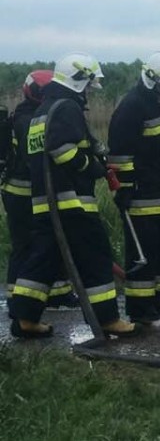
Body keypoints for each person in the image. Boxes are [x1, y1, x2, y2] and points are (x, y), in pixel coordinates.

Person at [8, 52, 137, 338]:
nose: (90, 90)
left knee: (43, 260)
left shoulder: (43, 109)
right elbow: (62, 149)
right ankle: (107, 319)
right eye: (89, 84)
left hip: (45, 202)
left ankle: (24, 318)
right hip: (71, 202)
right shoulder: (67, 107)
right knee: (96, 256)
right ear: (79, 80)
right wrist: (94, 168)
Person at [108, 50, 160, 323]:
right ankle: (139, 309)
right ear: (152, 80)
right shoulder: (133, 106)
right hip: (140, 195)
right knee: (143, 254)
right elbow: (119, 152)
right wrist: (125, 187)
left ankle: (156, 301)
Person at [2, 70, 79, 310]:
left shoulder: (33, 115)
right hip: (21, 192)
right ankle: (16, 295)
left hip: (33, 191)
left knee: (50, 242)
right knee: (25, 244)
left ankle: (58, 293)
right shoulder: (26, 120)